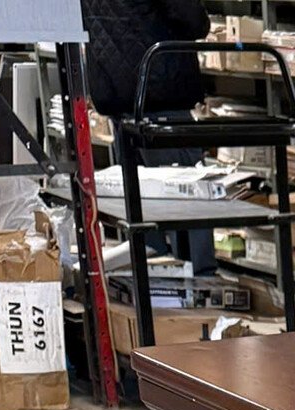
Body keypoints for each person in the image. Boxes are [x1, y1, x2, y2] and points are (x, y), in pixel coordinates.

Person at [80, 0, 216, 274]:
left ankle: (153, 278)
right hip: (159, 86)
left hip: (116, 92)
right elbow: (192, 19)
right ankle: (202, 280)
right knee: (190, 195)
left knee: (140, 201)